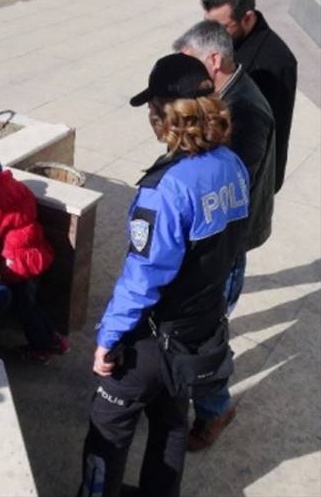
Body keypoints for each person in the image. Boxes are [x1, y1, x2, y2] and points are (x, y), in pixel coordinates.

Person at [78, 53, 249, 497]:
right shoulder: (234, 167)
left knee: (108, 431)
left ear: (164, 116)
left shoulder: (164, 190)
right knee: (172, 422)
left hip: (151, 342)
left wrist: (109, 339)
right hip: (199, 329)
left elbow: (144, 277)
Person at [174, 20, 276, 451]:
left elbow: (227, 189)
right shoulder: (223, 94)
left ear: (213, 61)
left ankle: (216, 409)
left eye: (188, 64)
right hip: (215, 240)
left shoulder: (245, 110)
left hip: (224, 246)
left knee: (204, 334)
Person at [0, 146, 68, 364]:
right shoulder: (14, 186)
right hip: (33, 251)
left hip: (17, 262)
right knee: (32, 302)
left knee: (24, 307)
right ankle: (53, 339)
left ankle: (42, 347)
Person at [202, 0, 297, 192]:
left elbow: (268, 137)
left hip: (244, 181)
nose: (211, 35)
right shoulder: (224, 40)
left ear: (247, 18)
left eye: (222, 27)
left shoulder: (276, 62)